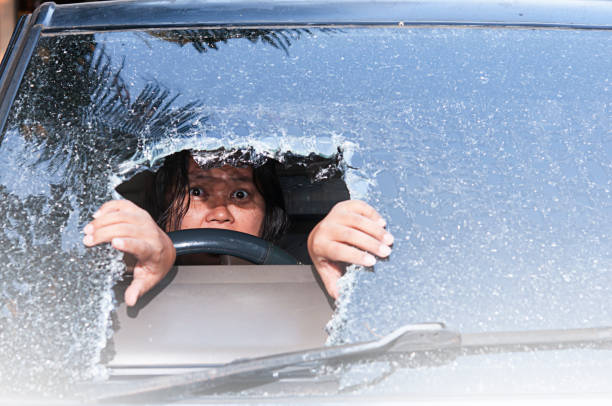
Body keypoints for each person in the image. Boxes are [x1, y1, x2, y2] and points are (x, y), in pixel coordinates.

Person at [83, 150, 393, 306]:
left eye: (240, 195)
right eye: (197, 192)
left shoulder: (313, 278)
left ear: (268, 215)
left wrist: (339, 254)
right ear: (161, 209)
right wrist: (123, 251)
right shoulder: (110, 288)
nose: (220, 213)